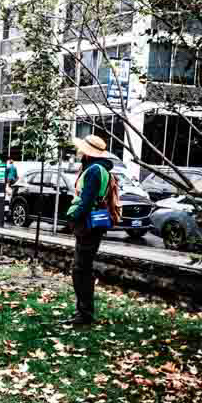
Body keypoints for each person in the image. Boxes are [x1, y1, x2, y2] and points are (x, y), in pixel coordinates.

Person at [64, 135, 120, 327]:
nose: (79, 153)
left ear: (88, 153)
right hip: (92, 223)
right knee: (82, 268)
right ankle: (83, 312)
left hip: (87, 224)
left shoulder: (95, 170)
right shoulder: (100, 169)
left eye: (81, 150)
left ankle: (85, 314)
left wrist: (73, 217)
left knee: (81, 270)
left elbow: (87, 201)